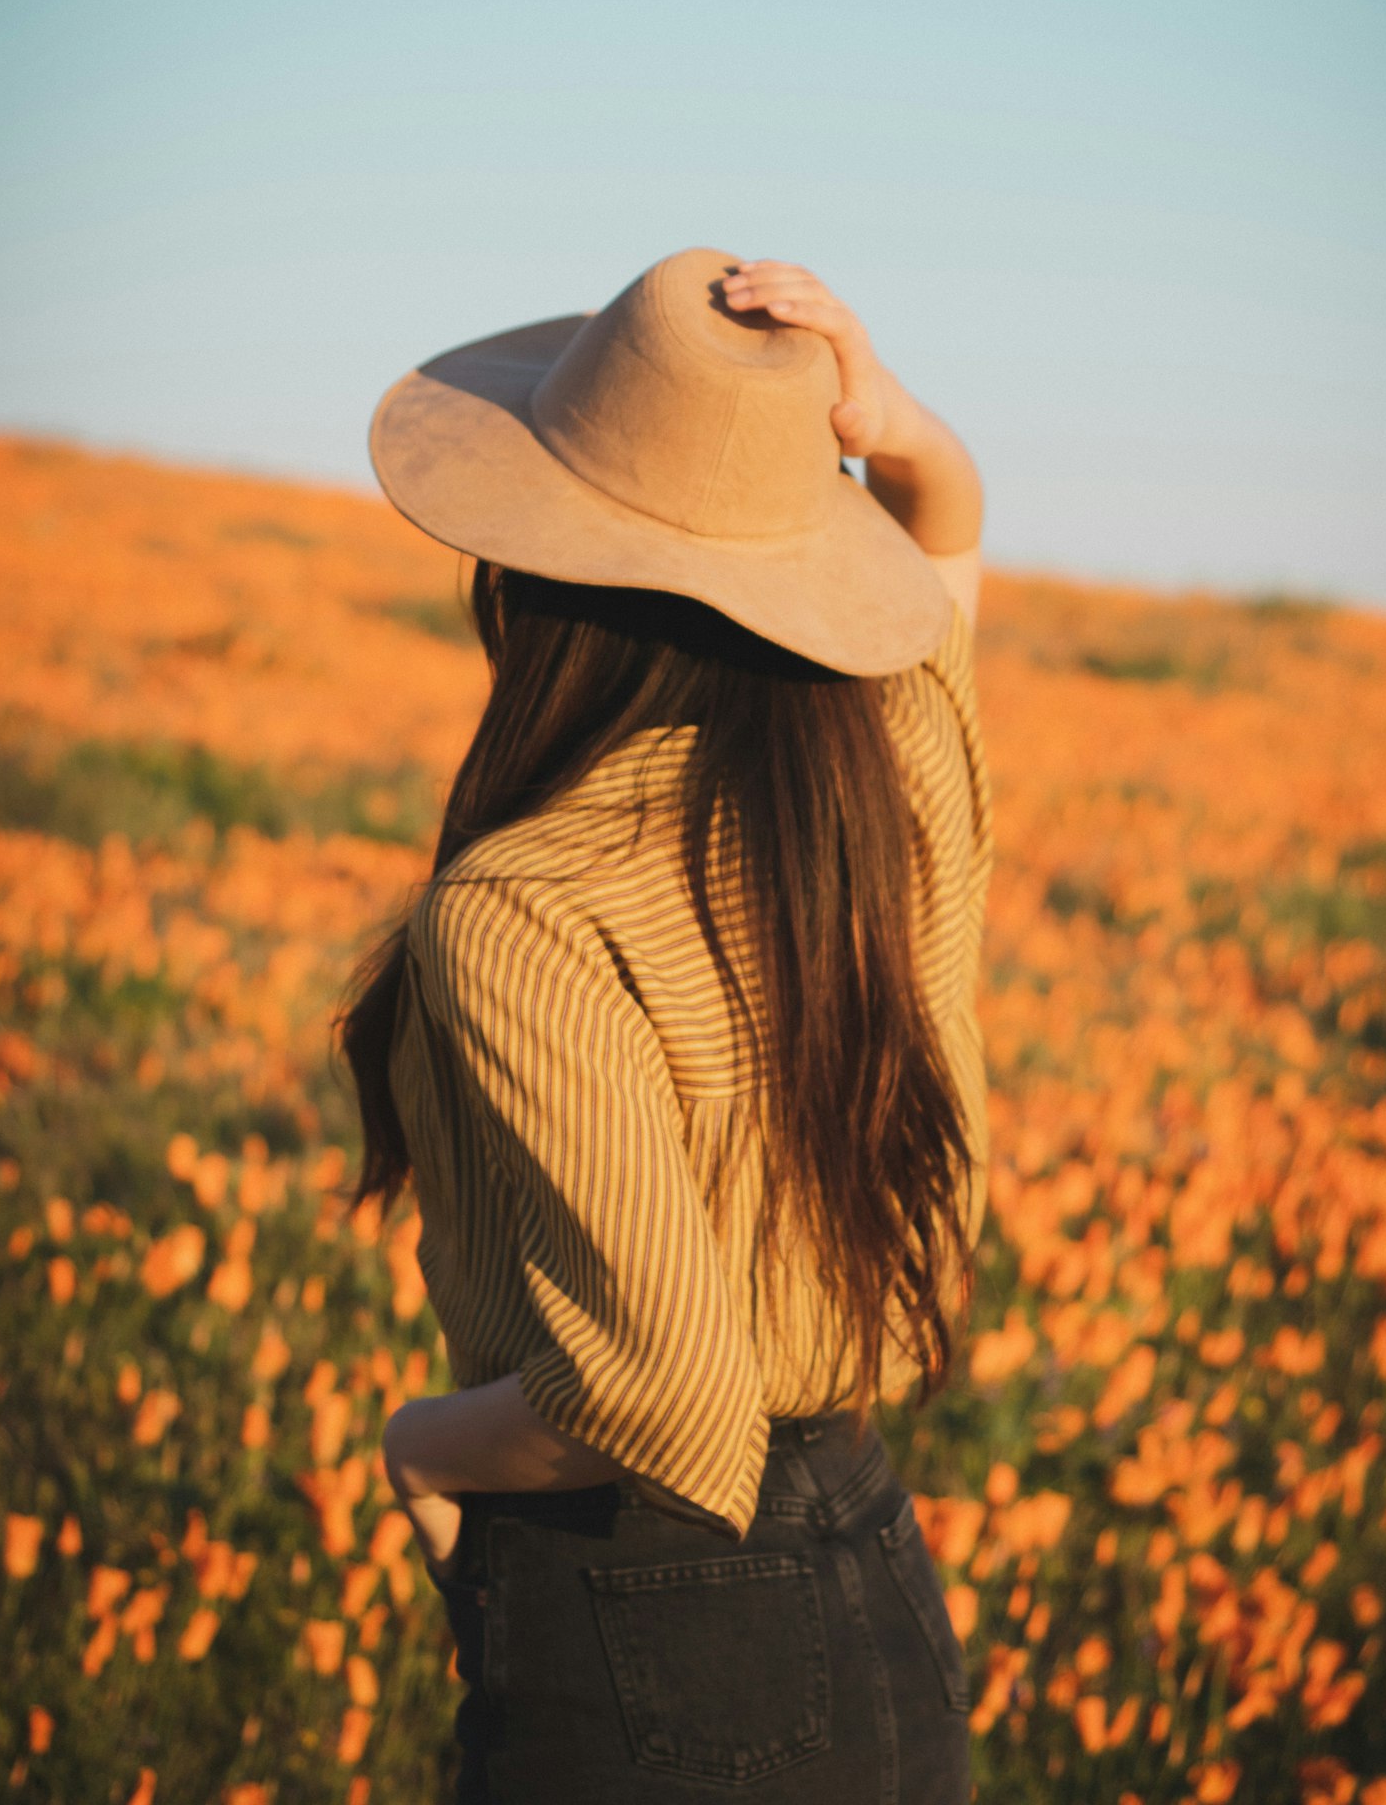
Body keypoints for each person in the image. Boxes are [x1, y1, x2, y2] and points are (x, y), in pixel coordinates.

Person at [334, 248, 992, 1803]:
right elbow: (942, 573)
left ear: (527, 570)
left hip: (648, 1619)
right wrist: (891, 425)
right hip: (879, 1571)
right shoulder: (890, 773)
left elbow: (658, 1405)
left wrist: (422, 1448)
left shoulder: (521, 907)